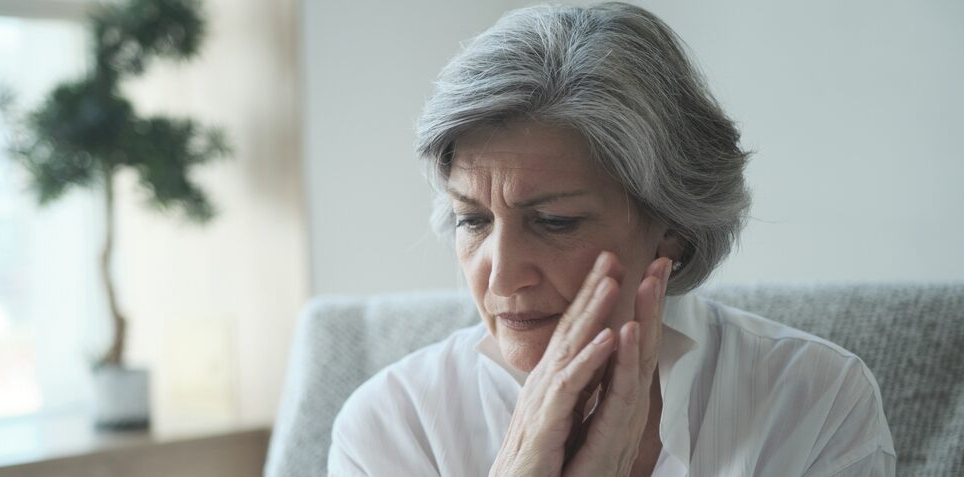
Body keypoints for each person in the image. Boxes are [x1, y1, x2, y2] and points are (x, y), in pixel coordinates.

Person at [328, 3, 895, 475]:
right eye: (473, 221)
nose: (500, 277)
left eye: (554, 221)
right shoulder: (391, 425)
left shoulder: (816, 399)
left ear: (671, 228)